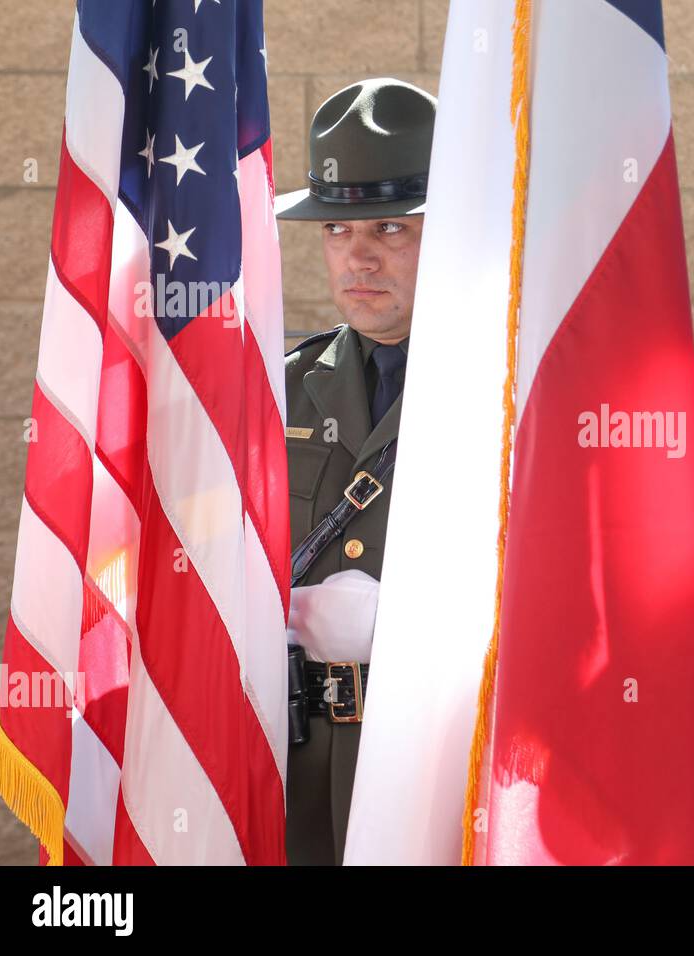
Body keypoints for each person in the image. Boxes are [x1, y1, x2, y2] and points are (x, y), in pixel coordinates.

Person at [273, 77, 435, 865]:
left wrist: (411, 628)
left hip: (431, 768)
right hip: (295, 775)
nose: (359, 255)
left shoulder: (505, 399)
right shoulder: (280, 387)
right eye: (337, 230)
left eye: (390, 228)